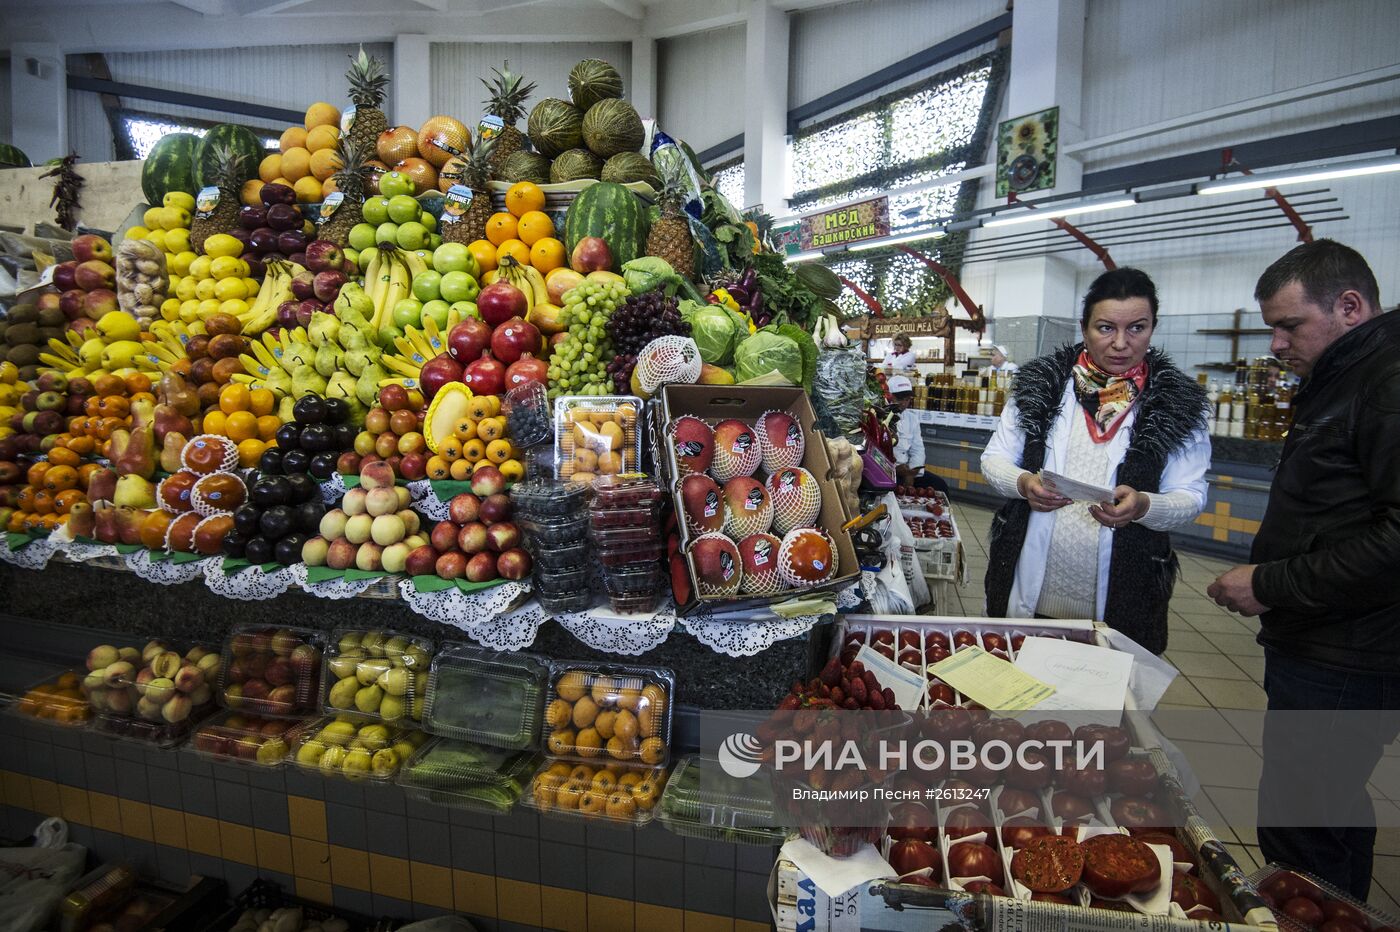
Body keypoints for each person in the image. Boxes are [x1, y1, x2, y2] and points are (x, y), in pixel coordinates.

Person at [1206, 239, 1400, 900]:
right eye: (1271, 328)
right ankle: (1340, 908)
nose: (1277, 343)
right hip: (1332, 642)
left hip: (1348, 652)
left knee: (1300, 823)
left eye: (1290, 324)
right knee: (1330, 809)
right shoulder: (1350, 377)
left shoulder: (1385, 382)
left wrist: (1267, 583)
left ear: (1349, 306)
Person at [980, 267, 1211, 652]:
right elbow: (995, 459)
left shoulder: (1177, 404)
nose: (1121, 343)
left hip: (1124, 601)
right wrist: (1023, 483)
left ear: (1153, 327)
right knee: (1016, 699)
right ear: (1084, 327)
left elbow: (1190, 495)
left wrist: (1144, 506)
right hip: (1031, 592)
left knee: (1101, 706)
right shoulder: (1042, 387)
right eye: (1106, 328)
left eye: (1137, 328)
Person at [889, 375, 947, 491]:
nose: (904, 404)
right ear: (889, 396)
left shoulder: (912, 418)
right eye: (900, 399)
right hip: (888, 471)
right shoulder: (880, 417)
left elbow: (918, 449)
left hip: (909, 470)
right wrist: (894, 468)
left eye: (907, 399)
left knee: (940, 485)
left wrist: (911, 472)